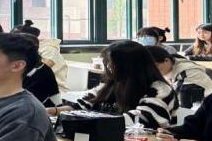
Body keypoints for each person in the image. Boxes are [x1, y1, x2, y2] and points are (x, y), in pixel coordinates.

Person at [48, 40, 176, 129]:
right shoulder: (112, 84)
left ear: (128, 65)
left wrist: (89, 121)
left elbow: (141, 121)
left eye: (111, 63)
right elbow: (83, 105)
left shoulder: (160, 90)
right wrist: (52, 111)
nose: (108, 67)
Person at [12, 20, 69, 93]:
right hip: (29, 87)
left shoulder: (49, 49)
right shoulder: (22, 49)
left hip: (53, 89)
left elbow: (39, 71)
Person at [147, 45, 212, 99]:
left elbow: (179, 99)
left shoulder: (187, 71)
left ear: (166, 60)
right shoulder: (169, 68)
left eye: (155, 66)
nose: (152, 70)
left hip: (205, 105)